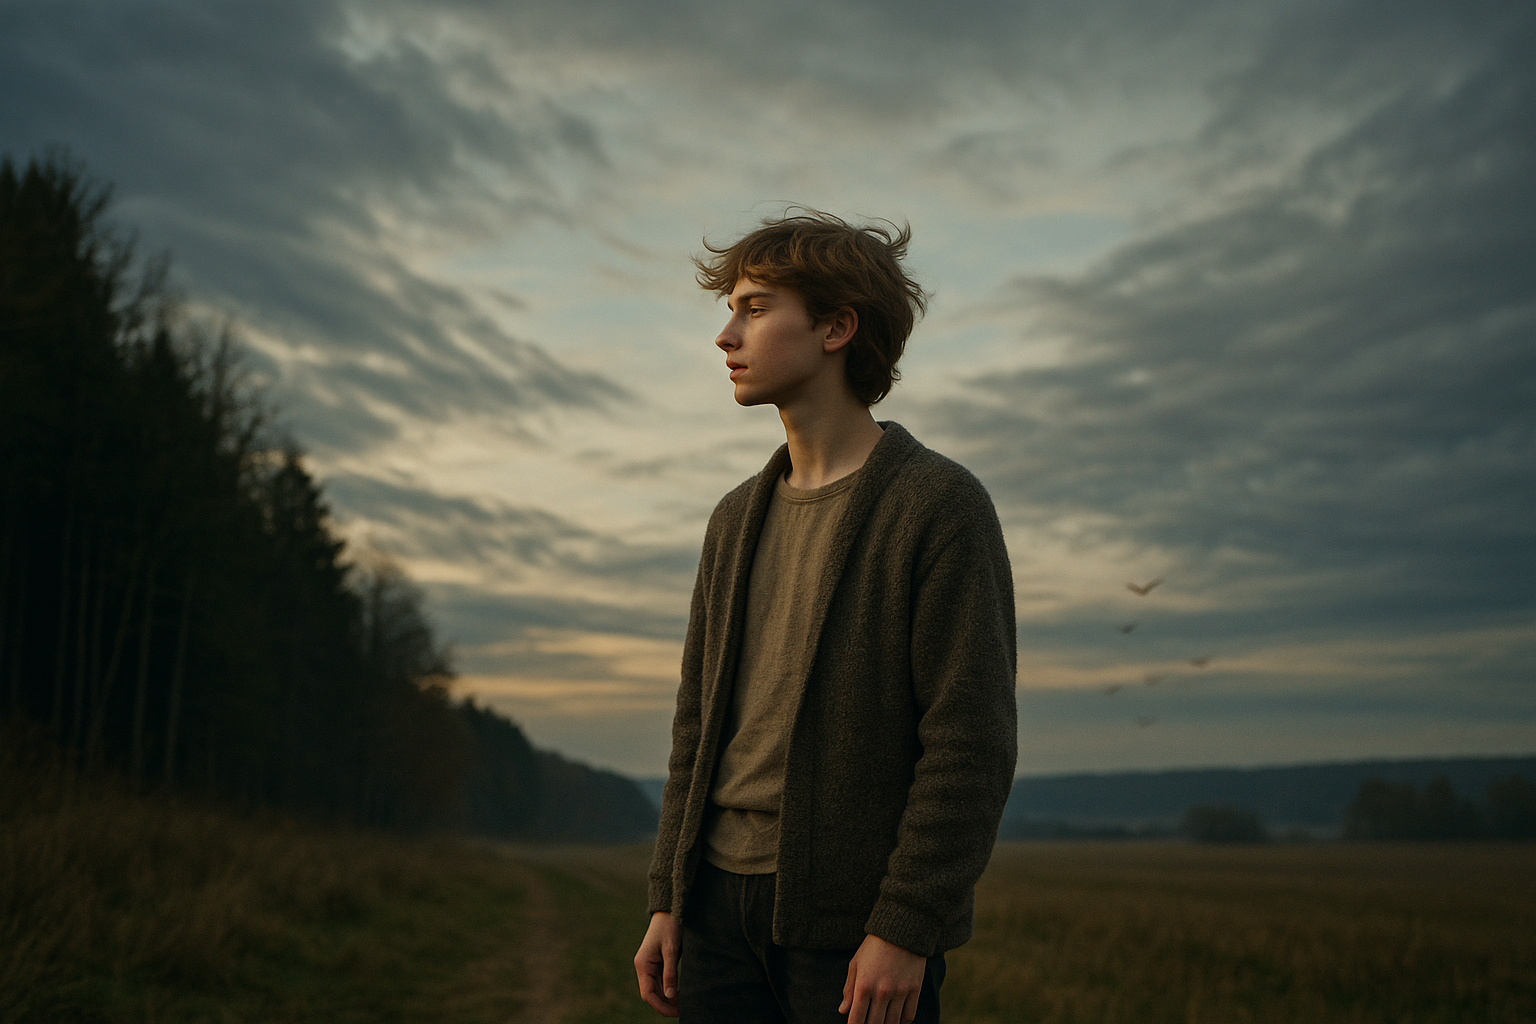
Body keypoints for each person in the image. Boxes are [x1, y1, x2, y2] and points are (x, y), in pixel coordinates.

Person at [634, 209, 1017, 1024]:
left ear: (838, 326)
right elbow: (694, 729)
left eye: (756, 307)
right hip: (712, 916)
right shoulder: (734, 518)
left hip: (850, 932)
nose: (726, 335)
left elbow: (971, 742)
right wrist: (670, 895)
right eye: (730, 309)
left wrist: (905, 929)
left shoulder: (937, 505)